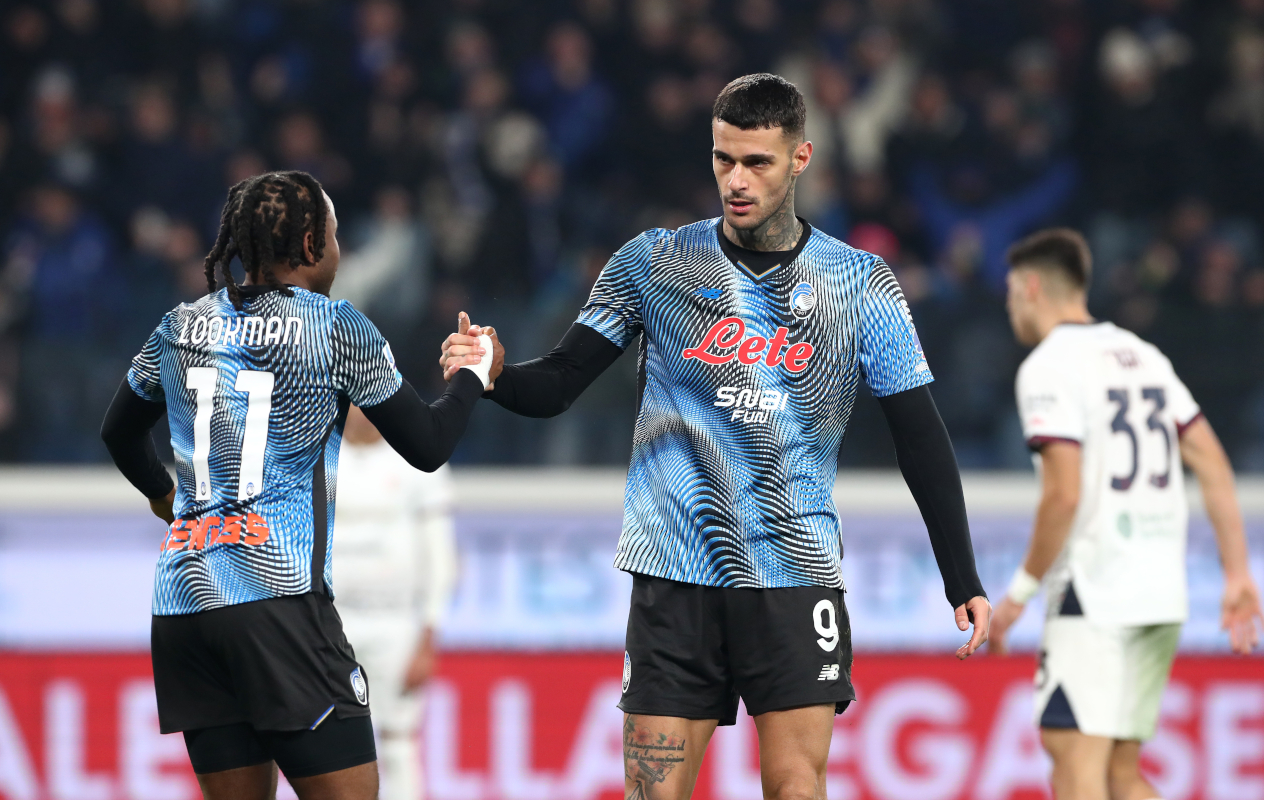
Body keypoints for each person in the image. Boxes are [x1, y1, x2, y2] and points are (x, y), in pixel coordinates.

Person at [441, 73, 992, 800]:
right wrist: (495, 373)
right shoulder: (654, 262)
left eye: (757, 162)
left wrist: (962, 577)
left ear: (801, 159)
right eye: (723, 158)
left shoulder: (860, 283)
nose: (736, 179)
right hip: (674, 571)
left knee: (797, 785)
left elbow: (920, 437)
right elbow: (560, 383)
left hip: (794, 573)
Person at [99, 170, 496, 800]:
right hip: (277, 601)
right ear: (311, 247)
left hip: (184, 606)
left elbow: (118, 432)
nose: (340, 251)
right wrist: (473, 374)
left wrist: (163, 497)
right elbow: (427, 446)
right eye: (336, 236)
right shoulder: (335, 327)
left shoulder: (178, 327)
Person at [990, 228, 1263, 800]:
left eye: (1011, 292)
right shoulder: (1145, 357)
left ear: (1031, 286)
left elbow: (1063, 494)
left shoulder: (1047, 366)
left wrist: (1020, 591)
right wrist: (1238, 572)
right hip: (1159, 594)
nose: (1010, 306)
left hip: (1095, 590)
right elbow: (1213, 464)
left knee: (1074, 764)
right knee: (1120, 774)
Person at [333, 405, 457, 800]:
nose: (363, 414)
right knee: (328, 743)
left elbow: (441, 556)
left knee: (398, 738)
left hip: (396, 622)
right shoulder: (316, 456)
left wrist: (428, 634)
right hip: (329, 621)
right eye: (353, 404)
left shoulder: (420, 460)